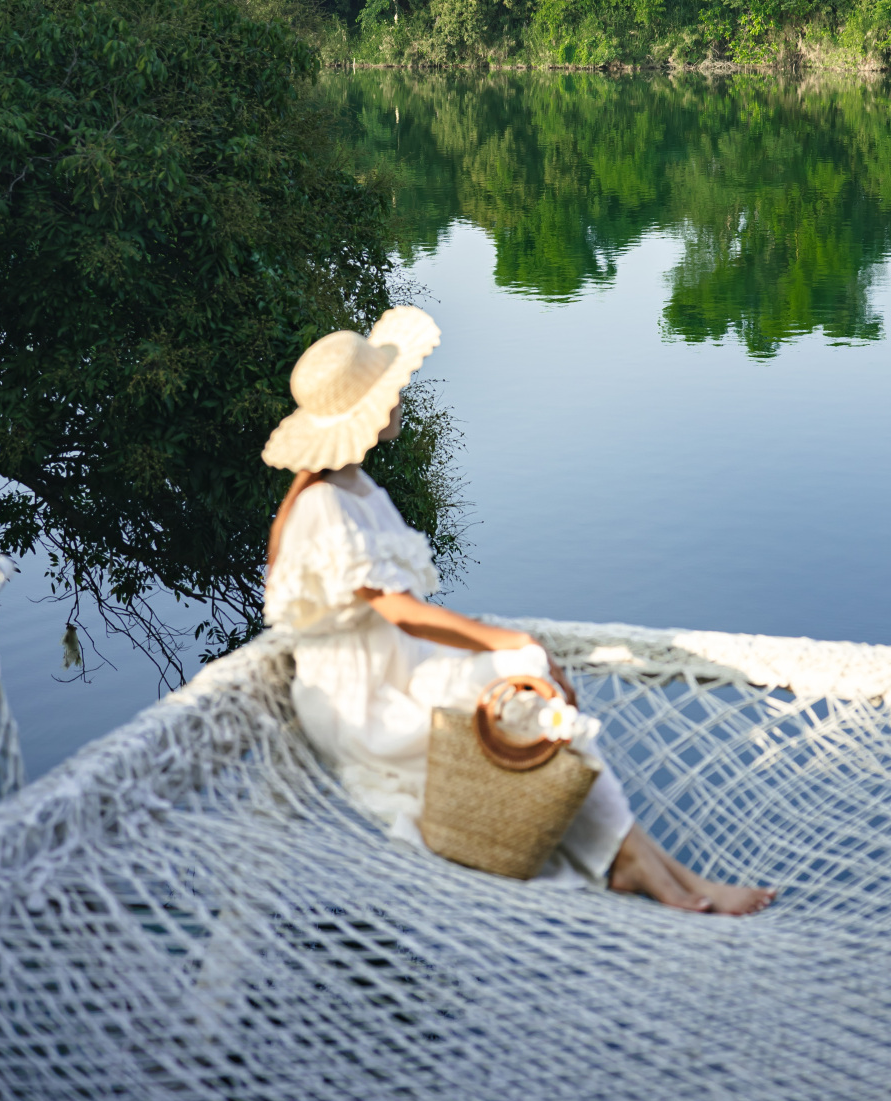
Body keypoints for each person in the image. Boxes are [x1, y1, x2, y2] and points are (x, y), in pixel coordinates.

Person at [262, 306, 774, 917]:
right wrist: (503, 640)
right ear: (369, 412)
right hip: (362, 695)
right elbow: (396, 610)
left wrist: (502, 646)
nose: (401, 397)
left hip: (389, 666)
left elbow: (394, 614)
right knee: (520, 680)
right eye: (390, 390)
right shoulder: (324, 504)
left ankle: (650, 865)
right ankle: (648, 868)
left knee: (526, 686)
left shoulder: (356, 490)